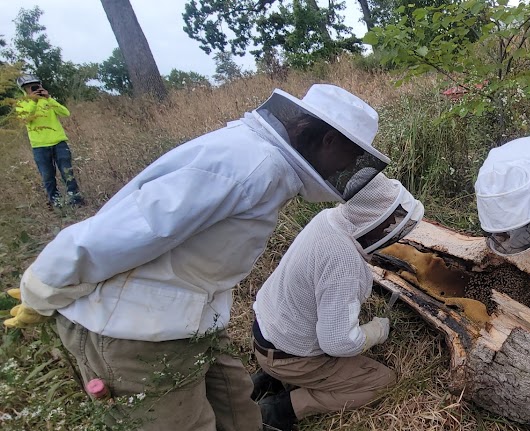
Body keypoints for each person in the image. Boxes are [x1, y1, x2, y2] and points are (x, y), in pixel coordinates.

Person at [5, 83, 391, 431]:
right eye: (350, 154)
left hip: (188, 321)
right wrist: (43, 287)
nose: (347, 167)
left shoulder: (260, 163)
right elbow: (117, 232)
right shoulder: (248, 166)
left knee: (238, 409)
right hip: (133, 334)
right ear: (327, 140)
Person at [251, 173, 423, 431]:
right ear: (370, 218)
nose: (392, 229)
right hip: (287, 355)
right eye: (389, 222)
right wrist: (376, 331)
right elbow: (338, 343)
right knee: (381, 381)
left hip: (267, 333)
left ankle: (272, 377)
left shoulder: (329, 219)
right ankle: (280, 409)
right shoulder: (343, 262)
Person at [14, 74, 84, 207]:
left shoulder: (48, 101)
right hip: (39, 146)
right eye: (30, 87)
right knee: (48, 177)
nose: (34, 89)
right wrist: (33, 102)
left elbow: (65, 113)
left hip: (58, 142)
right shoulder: (21, 104)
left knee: (67, 172)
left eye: (36, 86)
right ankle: (56, 202)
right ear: (24, 89)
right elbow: (25, 119)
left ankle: (75, 199)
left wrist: (49, 99)